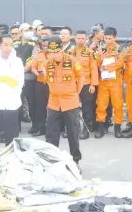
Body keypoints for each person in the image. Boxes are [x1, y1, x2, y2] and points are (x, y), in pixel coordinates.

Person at [44, 36, 84, 169]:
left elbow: (81, 78)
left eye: (56, 51)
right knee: (51, 133)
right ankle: (51, 160)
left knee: (73, 133)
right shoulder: (48, 62)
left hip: (70, 102)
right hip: (54, 102)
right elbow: (46, 80)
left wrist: (75, 94)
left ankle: (75, 160)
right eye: (52, 51)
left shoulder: (72, 61)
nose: (54, 54)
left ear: (61, 49)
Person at [0, 34, 24, 159]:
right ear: (0, 45)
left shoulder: (17, 61)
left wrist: (6, 79)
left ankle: (11, 158)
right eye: (6, 44)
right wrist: (7, 79)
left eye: (11, 44)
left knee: (11, 134)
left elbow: (20, 82)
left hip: (12, 103)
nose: (9, 47)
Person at [94, 27, 124, 139]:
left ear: (115, 37)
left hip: (116, 82)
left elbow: (120, 63)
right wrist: (100, 59)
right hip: (104, 83)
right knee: (101, 106)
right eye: (106, 38)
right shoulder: (101, 49)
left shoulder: (120, 49)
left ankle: (117, 128)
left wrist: (107, 67)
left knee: (118, 106)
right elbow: (97, 63)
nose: (107, 40)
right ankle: (100, 128)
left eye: (110, 38)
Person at [71, 30, 99, 140]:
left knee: (87, 108)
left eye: (83, 38)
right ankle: (74, 128)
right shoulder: (70, 52)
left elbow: (94, 69)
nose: (81, 40)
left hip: (86, 83)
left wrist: (93, 84)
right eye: (79, 38)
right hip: (73, 84)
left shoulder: (90, 52)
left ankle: (86, 129)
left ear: (86, 39)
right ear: (75, 38)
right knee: (73, 107)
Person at [30, 38, 49, 137]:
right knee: (40, 107)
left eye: (47, 45)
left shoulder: (54, 55)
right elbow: (33, 67)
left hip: (52, 84)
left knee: (53, 107)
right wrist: (37, 73)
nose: (45, 47)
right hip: (40, 83)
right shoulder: (39, 54)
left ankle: (54, 127)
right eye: (44, 46)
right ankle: (41, 128)